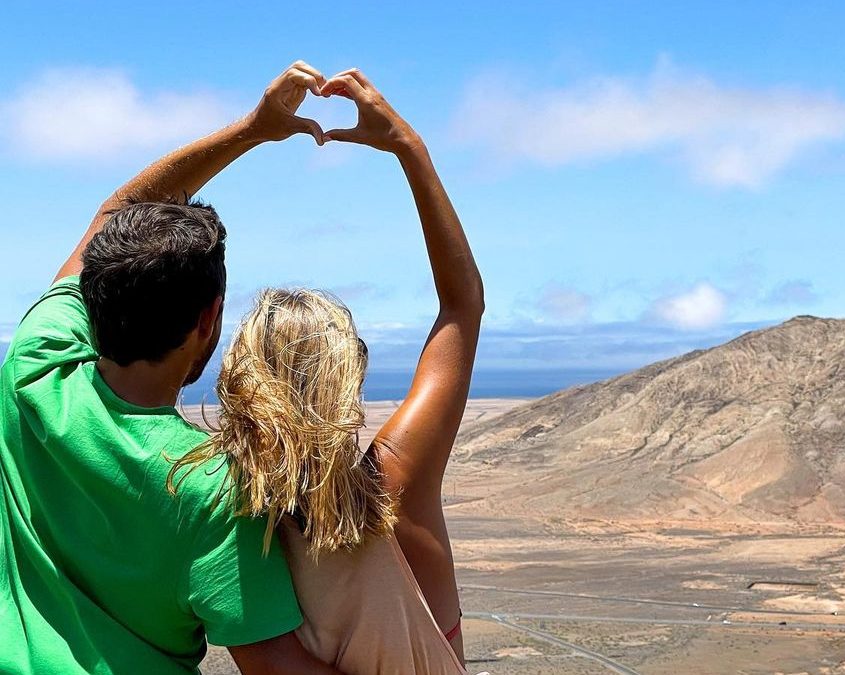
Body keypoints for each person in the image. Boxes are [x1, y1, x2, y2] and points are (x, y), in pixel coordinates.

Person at [0, 63, 347, 674]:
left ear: (95, 295)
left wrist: (251, 129)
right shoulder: (209, 488)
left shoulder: (33, 367)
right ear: (209, 320)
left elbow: (119, 212)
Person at [169, 68, 484, 673]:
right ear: (350, 377)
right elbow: (462, 307)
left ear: (239, 379)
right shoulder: (392, 486)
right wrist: (406, 148)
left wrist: (249, 131)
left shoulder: (222, 521)